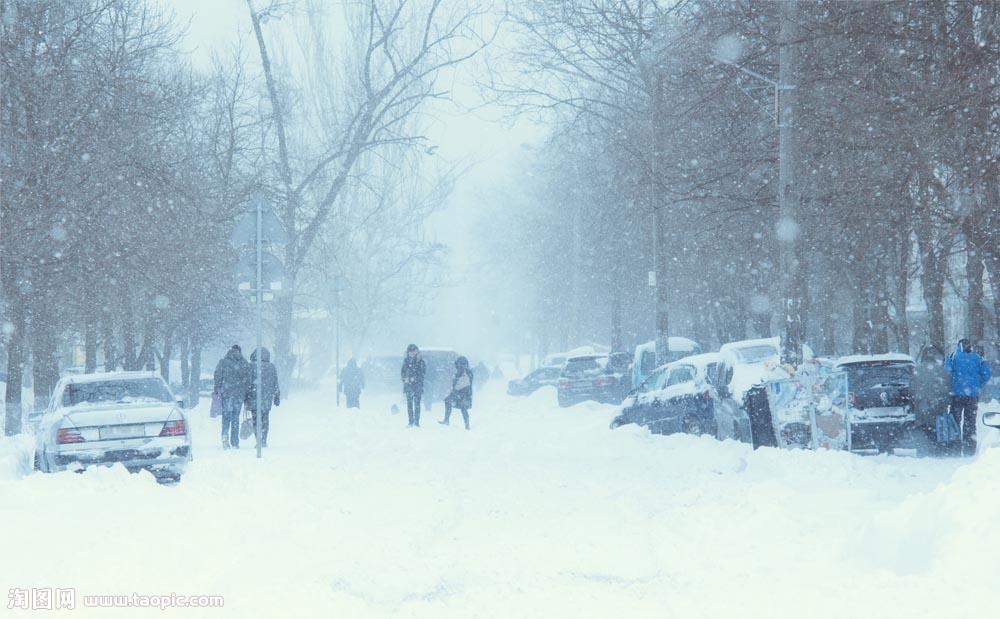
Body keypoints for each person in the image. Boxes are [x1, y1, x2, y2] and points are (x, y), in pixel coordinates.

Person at [944, 338, 992, 454]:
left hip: (957, 395)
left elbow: (947, 371)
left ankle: (954, 448)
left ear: (959, 345)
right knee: (970, 422)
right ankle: (969, 449)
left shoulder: (954, 356)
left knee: (955, 421)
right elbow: (987, 374)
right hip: (972, 396)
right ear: (970, 346)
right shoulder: (977, 357)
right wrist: (977, 384)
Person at [911, 344, 951, 449]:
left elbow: (912, 386)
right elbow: (946, 386)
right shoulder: (941, 369)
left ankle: (925, 444)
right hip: (937, 401)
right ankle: (937, 444)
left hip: (921, 402)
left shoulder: (917, 370)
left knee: (923, 423)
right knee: (936, 423)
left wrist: (915, 398)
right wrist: (946, 400)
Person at [214, 345, 251, 449]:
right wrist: (246, 394)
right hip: (239, 395)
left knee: (226, 417)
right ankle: (235, 442)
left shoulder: (223, 362)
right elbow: (248, 380)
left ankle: (225, 438)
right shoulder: (244, 363)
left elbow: (217, 375)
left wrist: (217, 388)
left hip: (227, 394)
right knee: (235, 418)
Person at [245, 347, 280, 448]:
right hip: (266, 398)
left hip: (253, 397)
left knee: (256, 420)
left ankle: (258, 440)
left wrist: (246, 397)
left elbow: (247, 383)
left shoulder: (251, 366)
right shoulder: (271, 367)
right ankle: (264, 439)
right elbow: (275, 383)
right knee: (265, 419)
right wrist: (277, 396)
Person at [441, 356, 474, 430]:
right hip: (463, 393)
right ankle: (466, 425)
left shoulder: (465, 372)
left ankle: (466, 425)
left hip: (463, 392)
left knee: (463, 407)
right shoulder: (465, 372)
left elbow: (462, 383)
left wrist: (454, 391)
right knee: (462, 407)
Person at [401, 344, 426, 427]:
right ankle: (411, 422)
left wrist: (413, 379)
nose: (412, 353)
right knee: (409, 404)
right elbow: (402, 372)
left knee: (417, 404)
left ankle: (416, 422)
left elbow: (422, 374)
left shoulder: (421, 362)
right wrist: (404, 379)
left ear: (416, 351)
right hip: (408, 386)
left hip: (417, 386)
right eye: (410, 351)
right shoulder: (406, 361)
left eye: (413, 351)